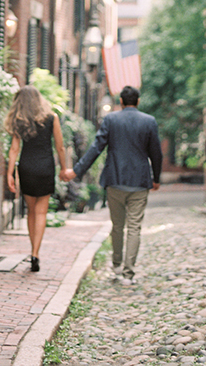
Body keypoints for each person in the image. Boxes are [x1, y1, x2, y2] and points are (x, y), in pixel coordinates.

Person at [62, 85, 162, 284]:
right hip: (140, 183)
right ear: (138, 101)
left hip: (115, 181)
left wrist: (76, 171)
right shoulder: (149, 121)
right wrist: (156, 178)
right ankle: (128, 273)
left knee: (117, 226)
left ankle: (116, 266)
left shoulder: (111, 120)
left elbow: (95, 149)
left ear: (122, 102)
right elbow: (156, 153)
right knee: (134, 228)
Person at [6, 85, 66, 272]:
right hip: (46, 167)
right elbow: (60, 146)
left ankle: (33, 252)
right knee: (41, 213)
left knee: (31, 211)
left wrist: (10, 173)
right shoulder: (51, 118)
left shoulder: (20, 121)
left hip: (27, 168)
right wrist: (64, 168)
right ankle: (35, 253)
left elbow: (14, 149)